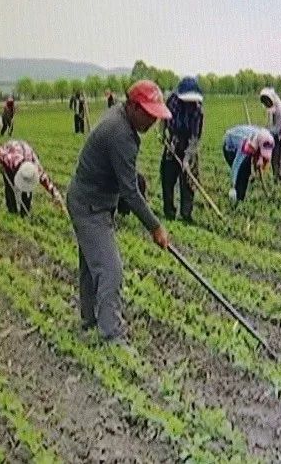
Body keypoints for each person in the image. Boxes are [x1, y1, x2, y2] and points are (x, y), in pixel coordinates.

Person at [66, 80, 171, 343]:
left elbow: (128, 182)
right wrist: (155, 226)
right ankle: (111, 334)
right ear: (134, 107)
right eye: (149, 114)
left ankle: (90, 321)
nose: (152, 121)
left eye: (156, 116)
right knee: (110, 269)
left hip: (88, 199)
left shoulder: (121, 119)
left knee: (92, 266)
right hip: (90, 206)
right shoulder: (120, 133)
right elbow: (129, 192)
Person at [160, 76, 204, 222]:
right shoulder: (172, 101)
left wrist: (187, 159)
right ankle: (169, 212)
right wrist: (163, 134)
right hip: (173, 140)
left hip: (188, 143)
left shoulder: (198, 110)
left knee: (188, 181)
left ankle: (186, 214)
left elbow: (194, 137)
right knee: (167, 176)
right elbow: (163, 119)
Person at [0, 139, 64, 216]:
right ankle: (12, 211)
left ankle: (25, 212)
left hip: (26, 153)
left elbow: (48, 183)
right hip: (12, 150)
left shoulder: (37, 170)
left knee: (26, 191)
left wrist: (56, 196)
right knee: (9, 185)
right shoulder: (10, 161)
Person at [222, 125, 274, 205]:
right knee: (242, 172)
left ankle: (240, 197)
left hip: (252, 142)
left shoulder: (266, 139)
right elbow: (236, 165)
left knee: (246, 172)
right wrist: (232, 185)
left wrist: (256, 173)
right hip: (230, 146)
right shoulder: (246, 145)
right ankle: (237, 199)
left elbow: (264, 159)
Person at [259, 87, 281, 182]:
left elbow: (280, 127)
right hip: (277, 135)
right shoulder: (273, 109)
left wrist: (266, 132)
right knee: (275, 156)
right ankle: (277, 176)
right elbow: (271, 125)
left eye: (267, 101)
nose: (266, 104)